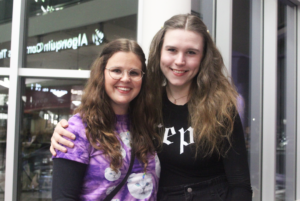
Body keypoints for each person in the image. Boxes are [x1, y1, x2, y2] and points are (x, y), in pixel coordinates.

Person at [51, 14, 252, 201]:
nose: (180, 61)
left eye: (191, 52)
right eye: (172, 50)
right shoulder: (143, 105)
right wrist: (64, 132)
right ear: (159, 52)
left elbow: (240, 185)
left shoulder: (220, 109)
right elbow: (100, 124)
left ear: (203, 58)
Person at [51, 38, 161, 201]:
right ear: (101, 73)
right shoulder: (78, 129)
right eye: (116, 70)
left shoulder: (147, 123)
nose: (125, 79)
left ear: (142, 78)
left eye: (134, 72)